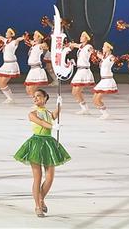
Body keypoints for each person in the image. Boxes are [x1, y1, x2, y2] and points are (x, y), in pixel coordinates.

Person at [14, 89, 71, 217]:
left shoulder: (48, 113)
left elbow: (54, 116)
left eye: (38, 96)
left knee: (50, 178)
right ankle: (38, 206)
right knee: (38, 177)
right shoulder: (32, 113)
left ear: (45, 98)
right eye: (34, 97)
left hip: (48, 143)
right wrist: (52, 126)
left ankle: (41, 198)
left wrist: (59, 105)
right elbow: (41, 122)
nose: (35, 98)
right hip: (36, 144)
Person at [0, 28, 25, 103]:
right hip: (5, 64)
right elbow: (0, 37)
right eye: (6, 32)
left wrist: (23, 38)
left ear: (12, 34)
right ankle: (10, 98)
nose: (6, 33)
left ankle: (11, 98)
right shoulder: (6, 41)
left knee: (3, 83)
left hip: (11, 64)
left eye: (7, 32)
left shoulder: (14, 42)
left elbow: (18, 39)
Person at [69, 31, 95, 115]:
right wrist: (68, 45)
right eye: (81, 36)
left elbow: (92, 51)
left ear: (87, 38)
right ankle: (84, 108)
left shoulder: (88, 46)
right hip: (79, 71)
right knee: (74, 92)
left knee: (77, 91)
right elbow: (75, 45)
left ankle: (85, 109)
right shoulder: (81, 46)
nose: (80, 37)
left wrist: (94, 53)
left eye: (82, 36)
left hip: (84, 71)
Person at [92, 42, 119, 119]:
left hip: (108, 80)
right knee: (94, 99)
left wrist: (117, 61)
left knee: (97, 99)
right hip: (103, 81)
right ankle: (104, 113)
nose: (102, 48)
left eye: (104, 47)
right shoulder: (104, 57)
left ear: (108, 48)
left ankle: (105, 114)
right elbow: (96, 53)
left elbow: (115, 60)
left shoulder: (111, 57)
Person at [24, 31, 49, 97]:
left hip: (37, 69)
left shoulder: (40, 46)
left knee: (31, 90)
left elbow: (45, 46)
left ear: (39, 37)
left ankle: (40, 101)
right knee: (28, 89)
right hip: (32, 70)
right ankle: (39, 100)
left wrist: (42, 42)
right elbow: (28, 40)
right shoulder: (34, 45)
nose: (33, 36)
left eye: (35, 35)